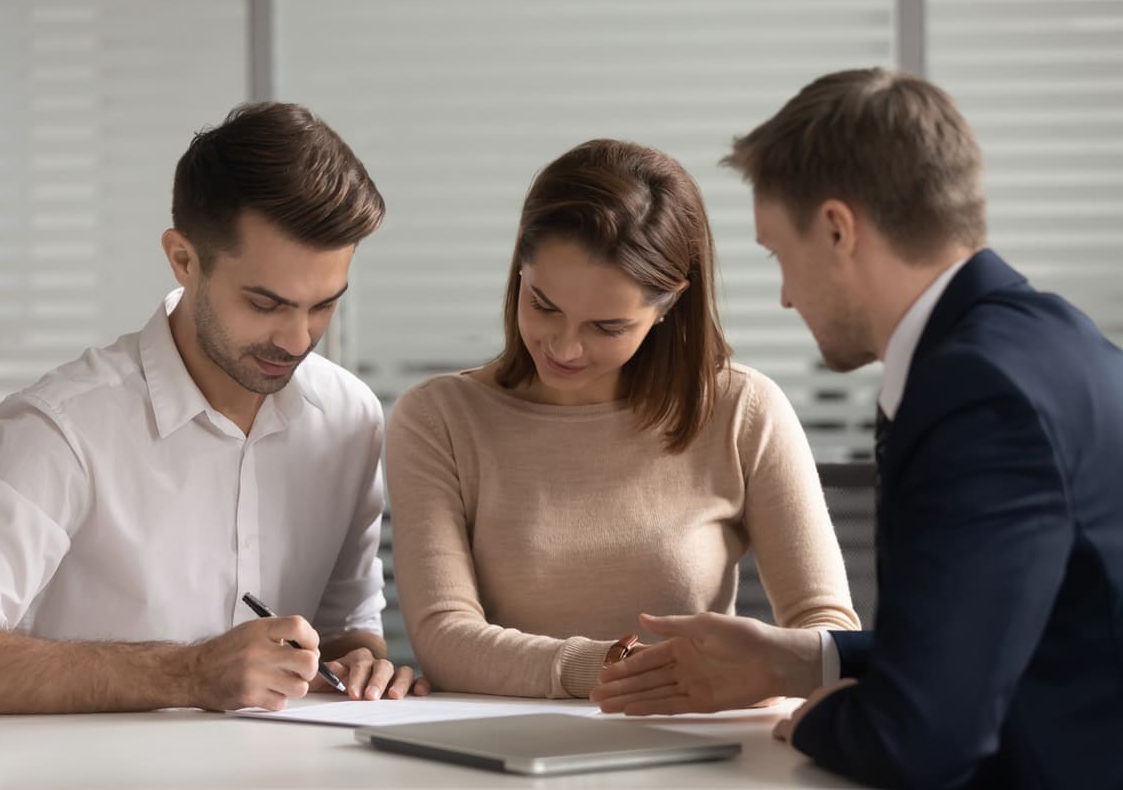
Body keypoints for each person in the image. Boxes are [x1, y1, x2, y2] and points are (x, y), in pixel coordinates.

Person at [593, 69, 1123, 789]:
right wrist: (803, 661)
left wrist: (811, 715)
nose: (784, 296)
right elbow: (997, 632)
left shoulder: (977, 395)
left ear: (838, 229)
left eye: (779, 253)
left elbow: (920, 737)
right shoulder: (1053, 339)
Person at [0, 102, 427, 713]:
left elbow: (347, 623)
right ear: (184, 260)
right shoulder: (64, 425)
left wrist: (362, 662)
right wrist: (186, 673)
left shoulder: (350, 416)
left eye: (323, 305)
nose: (297, 340)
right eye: (266, 304)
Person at [385, 138, 859, 699]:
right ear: (520, 264)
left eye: (606, 327)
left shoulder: (743, 409)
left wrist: (761, 676)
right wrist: (613, 669)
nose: (564, 346)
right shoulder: (438, 419)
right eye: (544, 304)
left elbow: (825, 628)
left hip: (694, 748)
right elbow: (445, 636)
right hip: (502, 752)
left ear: (668, 306)